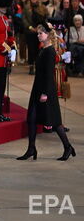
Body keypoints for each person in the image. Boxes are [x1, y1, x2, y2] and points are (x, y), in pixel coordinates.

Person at [17, 24, 76, 161]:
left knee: (54, 121)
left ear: (48, 35)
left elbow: (49, 74)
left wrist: (45, 93)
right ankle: (31, 149)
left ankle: (68, 147)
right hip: (38, 88)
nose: (38, 35)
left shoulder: (49, 51)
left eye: (41, 33)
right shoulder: (43, 50)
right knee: (31, 119)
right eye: (38, 33)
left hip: (46, 90)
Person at [23, 0, 48, 74]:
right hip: (30, 31)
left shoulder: (43, 7)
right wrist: (30, 27)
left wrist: (40, 28)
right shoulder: (26, 7)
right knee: (31, 49)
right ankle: (31, 67)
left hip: (40, 31)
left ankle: (39, 66)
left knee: (39, 49)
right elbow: (24, 19)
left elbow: (45, 18)